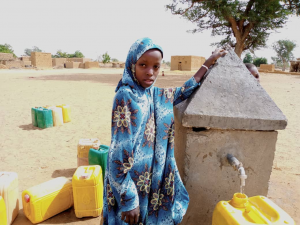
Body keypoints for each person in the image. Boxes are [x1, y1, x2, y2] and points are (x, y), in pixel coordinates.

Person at [103, 37, 227, 225]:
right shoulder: (126, 96)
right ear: (131, 64)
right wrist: (128, 198)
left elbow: (181, 92)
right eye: (143, 65)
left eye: (156, 67)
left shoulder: (152, 94)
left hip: (147, 181)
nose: (150, 72)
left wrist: (207, 64)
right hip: (129, 184)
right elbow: (118, 151)